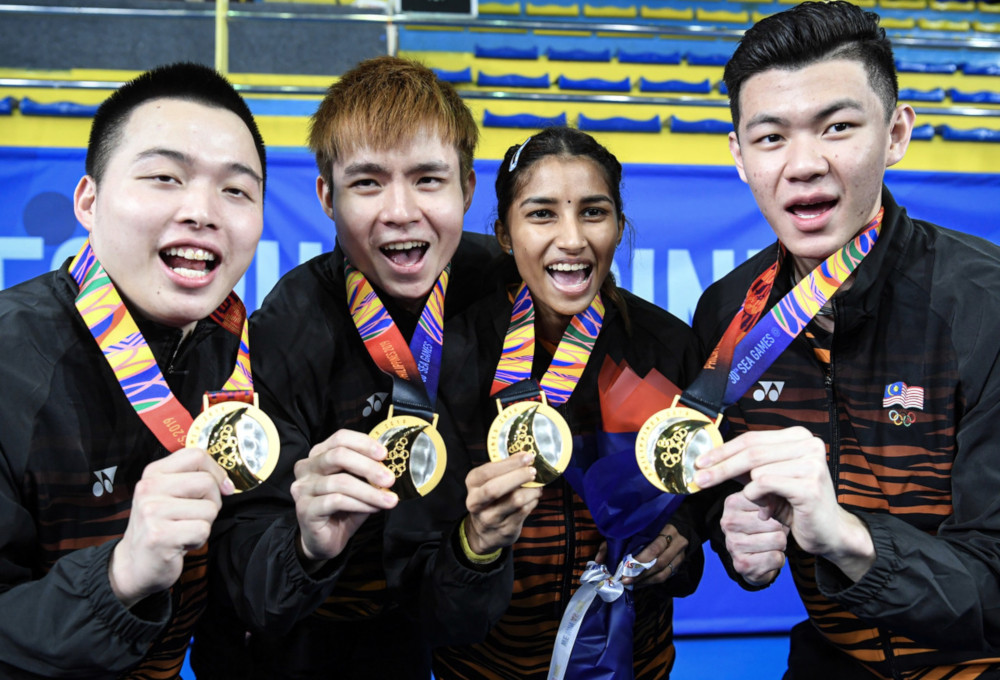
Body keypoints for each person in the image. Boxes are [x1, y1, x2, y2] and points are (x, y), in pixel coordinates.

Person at [689, 2, 1000, 677]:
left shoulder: (986, 304)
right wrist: (737, 536)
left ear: (895, 133)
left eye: (837, 127)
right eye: (771, 137)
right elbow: (723, 504)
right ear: (739, 156)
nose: (803, 164)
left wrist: (848, 537)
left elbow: (994, 584)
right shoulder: (725, 317)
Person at [191, 56, 503, 679]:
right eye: (367, 183)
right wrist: (305, 541)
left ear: (468, 189)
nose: (400, 211)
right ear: (326, 197)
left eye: (428, 180)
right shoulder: (284, 328)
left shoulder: (502, 289)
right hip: (280, 653)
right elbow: (246, 570)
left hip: (410, 641)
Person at [406, 127, 704, 679]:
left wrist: (679, 542)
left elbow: (692, 511)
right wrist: (474, 544)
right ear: (503, 233)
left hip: (633, 663)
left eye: (594, 212)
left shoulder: (667, 348)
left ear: (619, 226)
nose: (572, 239)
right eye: (542, 214)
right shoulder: (448, 359)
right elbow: (422, 587)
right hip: (484, 668)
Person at [0, 62, 267, 677]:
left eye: (236, 190)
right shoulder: (11, 361)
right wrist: (119, 576)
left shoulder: (243, 353)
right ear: (88, 202)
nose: (203, 211)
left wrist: (306, 544)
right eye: (165, 177)